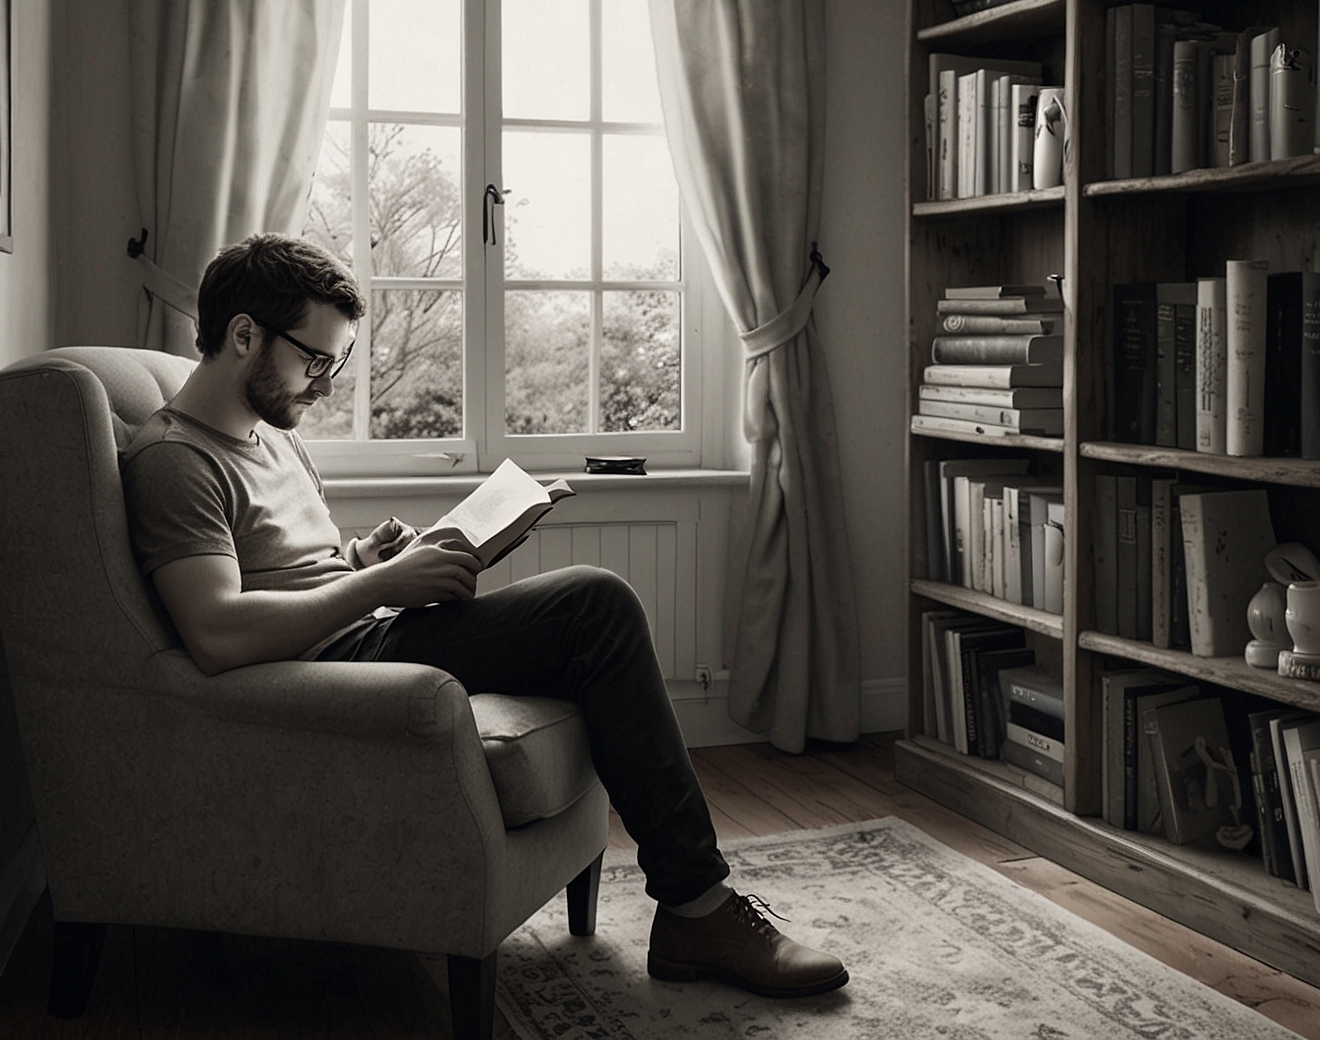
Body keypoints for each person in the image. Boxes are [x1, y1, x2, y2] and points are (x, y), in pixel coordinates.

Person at [119, 232, 849, 999]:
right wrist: (381, 586)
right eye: (316, 360)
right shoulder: (175, 460)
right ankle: (697, 906)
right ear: (244, 336)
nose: (326, 385)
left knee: (593, 621)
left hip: (360, 632)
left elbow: (291, 572)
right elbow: (217, 631)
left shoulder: (269, 440)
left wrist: (367, 561)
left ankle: (695, 903)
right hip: (329, 669)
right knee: (594, 606)